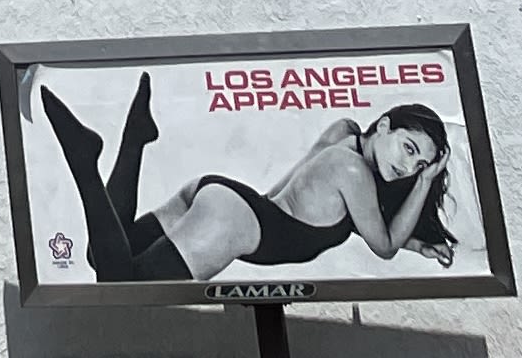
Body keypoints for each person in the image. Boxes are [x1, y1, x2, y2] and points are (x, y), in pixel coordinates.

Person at [34, 72, 456, 283]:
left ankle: (135, 139)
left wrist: (417, 243)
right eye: (410, 149)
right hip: (237, 219)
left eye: (420, 165)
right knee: (121, 284)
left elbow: (292, 192)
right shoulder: (353, 171)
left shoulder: (343, 134)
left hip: (227, 200)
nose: (408, 167)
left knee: (103, 258)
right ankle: (85, 167)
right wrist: (424, 184)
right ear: (383, 126)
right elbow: (383, 245)